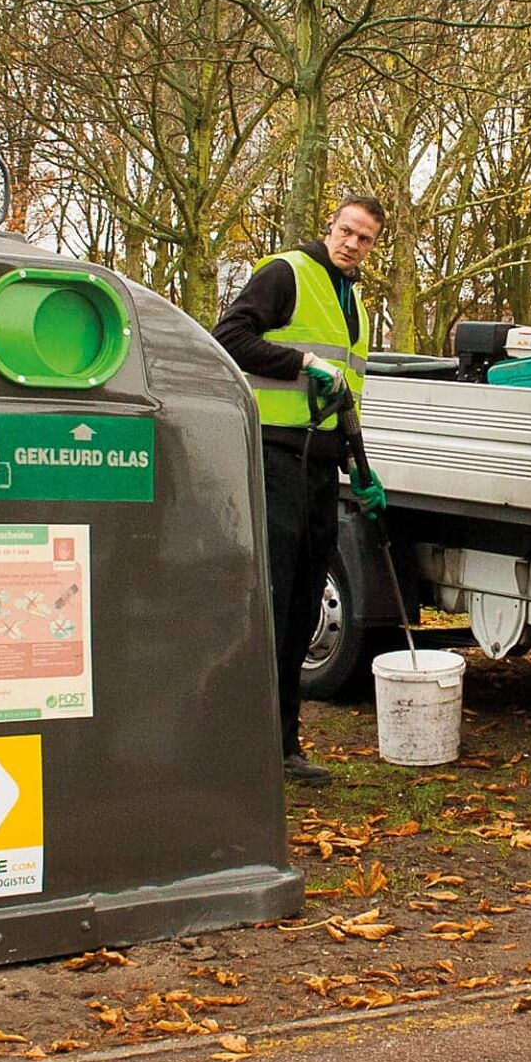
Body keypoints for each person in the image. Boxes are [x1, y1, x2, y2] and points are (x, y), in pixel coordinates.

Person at [212, 196, 389, 786]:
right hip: (275, 456)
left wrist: (360, 467)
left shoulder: (354, 298)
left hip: (320, 464)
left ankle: (285, 745)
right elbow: (228, 336)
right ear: (329, 227)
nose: (351, 244)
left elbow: (348, 394)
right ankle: (250, 743)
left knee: (304, 607)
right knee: (275, 603)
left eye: (364, 239)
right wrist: (301, 361)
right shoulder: (287, 273)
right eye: (345, 232)